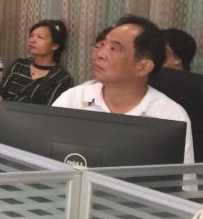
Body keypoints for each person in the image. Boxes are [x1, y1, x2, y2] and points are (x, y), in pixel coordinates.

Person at [53, 15, 193, 164]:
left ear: (143, 67)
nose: (99, 54)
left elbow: (181, 178)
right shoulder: (73, 100)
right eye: (102, 45)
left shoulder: (171, 116)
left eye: (114, 48)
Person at [0, 20, 74, 105]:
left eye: (40, 37)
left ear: (55, 46)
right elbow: (0, 91)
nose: (32, 40)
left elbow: (51, 109)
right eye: (31, 36)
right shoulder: (19, 65)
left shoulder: (61, 78)